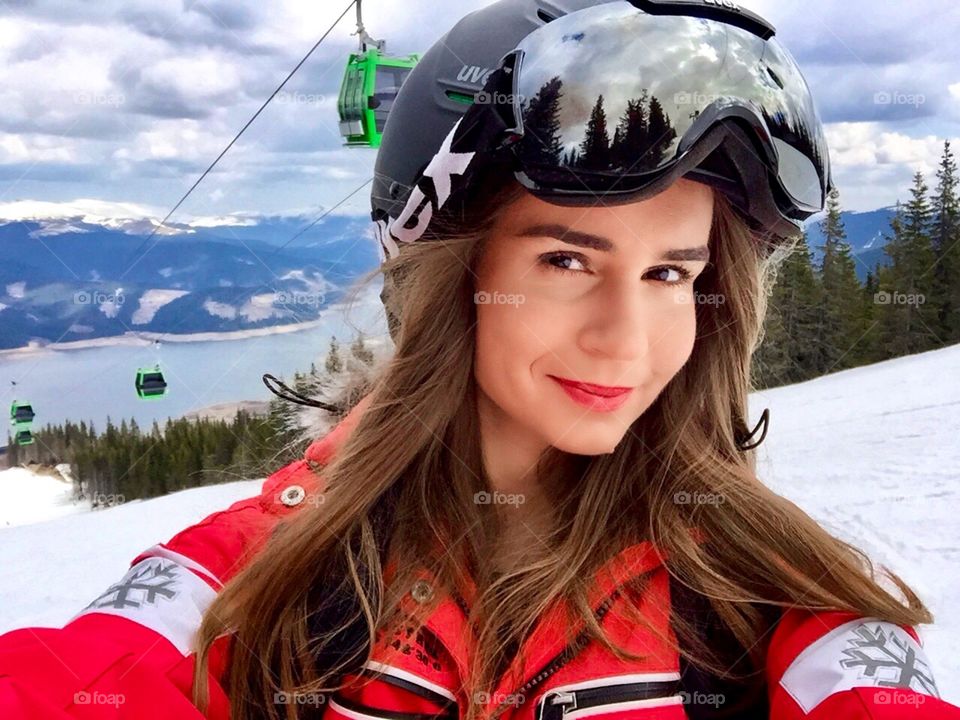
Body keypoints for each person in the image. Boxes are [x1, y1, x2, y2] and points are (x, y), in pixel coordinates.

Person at [2, 1, 958, 719]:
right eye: (566, 259)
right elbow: (85, 674)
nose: (626, 340)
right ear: (446, 282)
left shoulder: (761, 591)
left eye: (671, 273)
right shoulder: (270, 571)